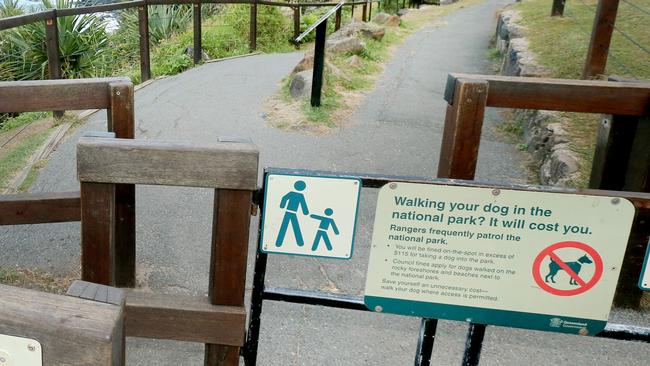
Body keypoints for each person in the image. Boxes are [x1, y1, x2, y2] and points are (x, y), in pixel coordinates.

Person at [276, 180, 309, 247]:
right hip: (292, 213)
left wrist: (282, 206)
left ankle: (279, 242)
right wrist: (305, 212)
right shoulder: (300, 195)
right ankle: (300, 242)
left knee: (285, 226)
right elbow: (303, 204)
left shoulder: (292, 193)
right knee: (294, 226)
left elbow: (284, 198)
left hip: (288, 212)